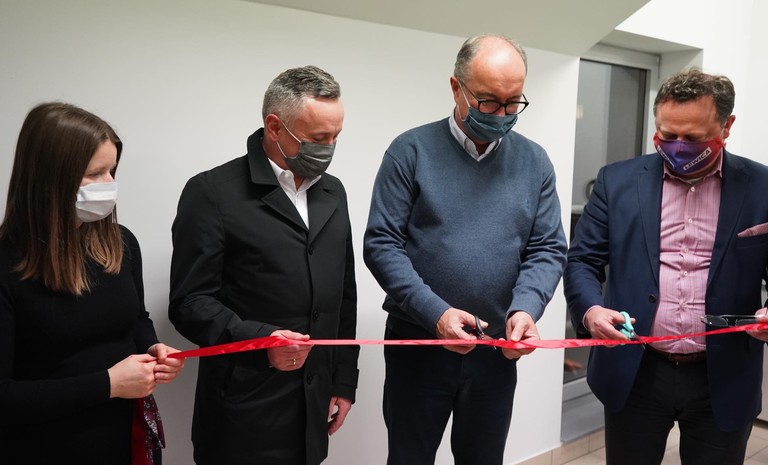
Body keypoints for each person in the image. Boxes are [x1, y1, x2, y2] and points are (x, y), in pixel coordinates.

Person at [364, 34, 568, 465]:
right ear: (456, 87)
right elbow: (381, 244)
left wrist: (526, 309)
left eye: (513, 103)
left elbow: (548, 248)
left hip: (494, 349)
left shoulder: (535, 162)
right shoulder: (410, 151)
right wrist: (435, 314)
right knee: (409, 457)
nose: (502, 115)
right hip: (418, 343)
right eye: (489, 101)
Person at [564, 69, 768, 465]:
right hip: (636, 372)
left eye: (693, 138)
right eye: (666, 134)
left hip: (724, 376)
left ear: (726, 127)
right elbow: (582, 260)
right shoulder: (617, 181)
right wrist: (591, 311)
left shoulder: (762, 187)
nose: (677, 147)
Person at [169, 65, 359, 465]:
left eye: (336, 137)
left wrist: (343, 382)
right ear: (275, 127)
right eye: (318, 138)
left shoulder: (333, 192)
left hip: (313, 405)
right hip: (243, 409)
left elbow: (343, 295)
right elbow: (190, 303)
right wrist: (261, 341)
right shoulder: (213, 193)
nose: (328, 149)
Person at [0, 102, 184, 465]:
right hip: (45, 449)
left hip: (128, 441)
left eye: (112, 171)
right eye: (94, 173)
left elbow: (134, 318)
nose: (109, 185)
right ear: (49, 179)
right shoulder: (7, 265)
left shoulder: (121, 243)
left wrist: (153, 348)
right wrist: (109, 384)